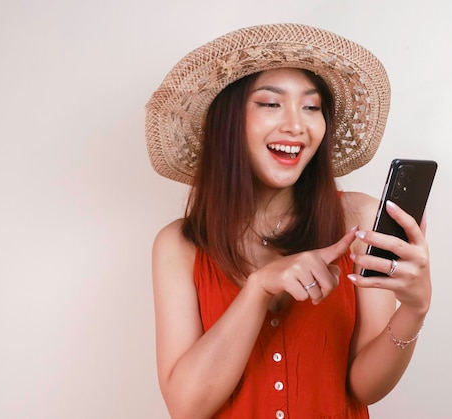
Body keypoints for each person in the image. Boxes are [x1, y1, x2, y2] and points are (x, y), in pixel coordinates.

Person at [146, 23, 432, 419]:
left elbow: (365, 387)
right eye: (270, 104)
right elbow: (186, 407)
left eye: (312, 107)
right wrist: (259, 288)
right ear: (228, 122)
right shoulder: (179, 245)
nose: (297, 125)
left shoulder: (360, 220)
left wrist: (414, 309)